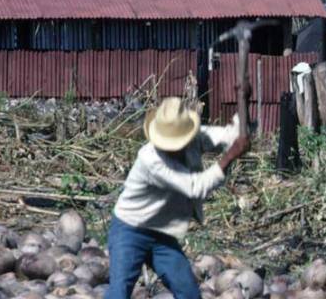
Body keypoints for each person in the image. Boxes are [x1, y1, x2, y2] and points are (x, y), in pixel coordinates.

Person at [106, 97, 250, 299]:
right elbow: (195, 187)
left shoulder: (194, 138)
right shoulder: (150, 159)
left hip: (162, 233)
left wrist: (244, 106)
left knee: (189, 292)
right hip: (130, 229)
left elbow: (230, 136)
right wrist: (231, 155)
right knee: (119, 292)